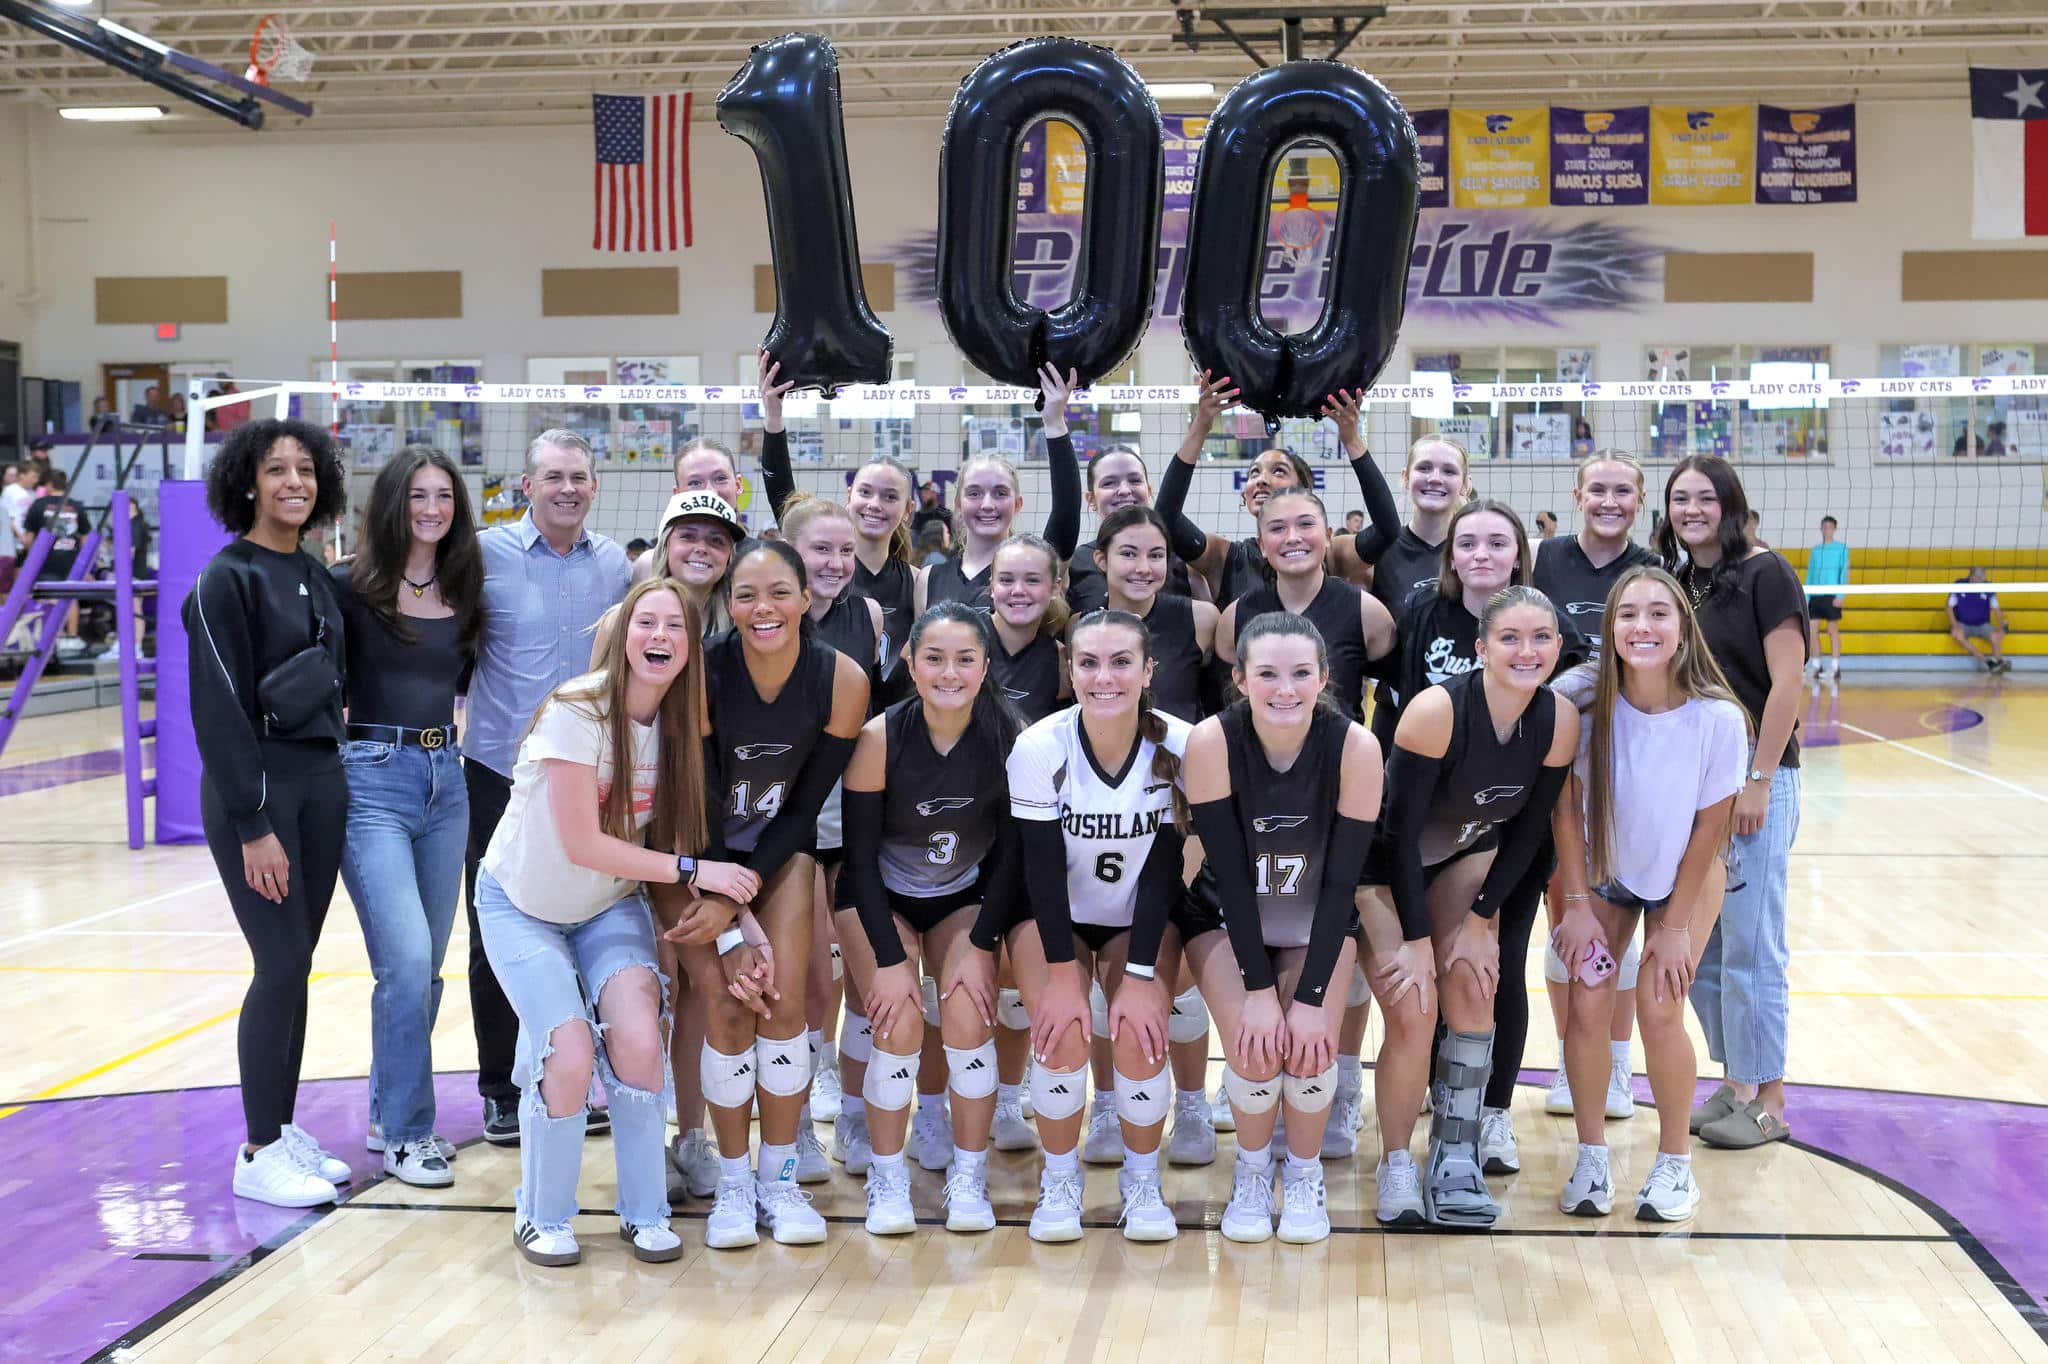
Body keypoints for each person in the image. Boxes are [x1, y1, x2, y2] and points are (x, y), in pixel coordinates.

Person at [477, 577, 757, 1267]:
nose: (660, 636)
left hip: (605, 907)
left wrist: (740, 923)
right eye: (646, 623)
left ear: (691, 648)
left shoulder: (681, 730)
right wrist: (694, 871)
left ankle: (645, 1213)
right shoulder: (575, 711)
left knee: (637, 1039)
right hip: (522, 907)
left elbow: (690, 838)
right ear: (622, 636)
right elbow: (584, 844)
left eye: (676, 627)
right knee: (569, 1052)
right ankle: (542, 1216)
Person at [1358, 585, 1577, 1228]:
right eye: (1510, 638)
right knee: (1414, 1008)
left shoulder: (1559, 720)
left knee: (1476, 988)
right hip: (1381, 870)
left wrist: (1481, 921)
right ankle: (1396, 1162)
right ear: (1481, 648)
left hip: (1464, 854)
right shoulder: (1436, 711)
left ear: (1558, 647)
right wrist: (1417, 940)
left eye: (1541, 638)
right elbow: (1397, 837)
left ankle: (1455, 1154)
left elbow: (1529, 832)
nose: (1527, 650)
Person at [184, 418, 355, 1209]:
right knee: (278, 963)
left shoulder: (316, 573)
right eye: (277, 469)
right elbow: (218, 712)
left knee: (298, 964)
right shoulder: (226, 580)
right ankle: (257, 1150)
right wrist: (253, 823)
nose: (294, 482)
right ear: (247, 483)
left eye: (306, 470)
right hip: (259, 792)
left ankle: (281, 1131)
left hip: (321, 781)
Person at [1005, 609, 1217, 1242]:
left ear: (1149, 671)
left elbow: (1166, 869)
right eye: (1089, 663)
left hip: (1140, 917)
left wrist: (1142, 975)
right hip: (1056, 916)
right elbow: (1040, 871)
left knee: (1141, 1030)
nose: (1104, 677)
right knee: (1061, 1030)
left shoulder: (1184, 745)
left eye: (1121, 662)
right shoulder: (1040, 746)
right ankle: (1060, 1180)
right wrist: (1062, 977)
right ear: (1069, 671)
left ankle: (1142, 1180)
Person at [1549, 566, 1747, 1222]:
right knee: (1588, 1003)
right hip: (1603, 871)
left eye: (1659, 613)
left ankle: (1674, 1166)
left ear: (1683, 629)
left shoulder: (1718, 717)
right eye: (1628, 614)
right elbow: (1565, 808)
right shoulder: (1579, 701)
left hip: (1686, 872)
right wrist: (1577, 905)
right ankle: (1591, 1157)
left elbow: (1711, 827)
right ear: (1609, 628)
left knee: (1660, 1008)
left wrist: (1676, 927)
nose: (1643, 626)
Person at [1183, 612, 1382, 1243]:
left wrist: (1311, 999)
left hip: (1315, 921)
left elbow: (1342, 883)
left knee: (1311, 1048)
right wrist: (1260, 992)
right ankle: (1250, 1172)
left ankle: (1301, 1173)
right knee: (1253, 1046)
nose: (1285, 689)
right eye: (1267, 673)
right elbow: (1231, 878)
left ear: (1324, 677)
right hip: (1225, 917)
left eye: (1301, 673)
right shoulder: (1212, 742)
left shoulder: (1355, 747)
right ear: (1240, 679)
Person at [691, 539, 867, 1248]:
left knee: (785, 1006)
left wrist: (745, 891)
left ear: (805, 599)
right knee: (732, 1008)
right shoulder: (703, 672)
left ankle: (780, 1178)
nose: (762, 608)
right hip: (701, 856)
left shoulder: (843, 678)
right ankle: (734, 1185)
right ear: (729, 604)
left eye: (778, 593)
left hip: (780, 854)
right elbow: (700, 797)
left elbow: (802, 810)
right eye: (746, 595)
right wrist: (724, 900)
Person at [463, 429, 632, 1144]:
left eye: (579, 477)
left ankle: (576, 1075)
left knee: (584, 919)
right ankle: (501, 1089)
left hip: (588, 777)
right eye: (554, 477)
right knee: (495, 930)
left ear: (595, 487)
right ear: (526, 486)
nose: (568, 488)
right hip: (499, 772)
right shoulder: (483, 556)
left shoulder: (617, 565)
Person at [838, 603, 1021, 1235]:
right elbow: (858, 861)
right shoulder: (878, 738)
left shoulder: (1009, 738)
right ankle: (887, 1180)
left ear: (985, 666)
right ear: (910, 664)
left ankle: (968, 1178)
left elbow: (1012, 857)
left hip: (962, 895)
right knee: (898, 1021)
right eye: (934, 659)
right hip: (878, 896)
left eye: (965, 659)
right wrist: (892, 963)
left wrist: (982, 943)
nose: (949, 673)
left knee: (968, 1014)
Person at [332, 446, 484, 1187]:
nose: (432, 508)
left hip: (445, 778)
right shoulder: (348, 587)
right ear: (394, 503)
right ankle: (406, 1133)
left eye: (444, 496)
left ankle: (383, 1109)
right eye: (418, 495)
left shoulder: (466, 586)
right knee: (407, 960)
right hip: (371, 779)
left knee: (424, 972)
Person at [592, 488, 747, 1204]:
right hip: (632, 837)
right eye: (688, 535)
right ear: (663, 544)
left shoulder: (737, 629)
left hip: (694, 832)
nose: (701, 548)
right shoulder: (622, 622)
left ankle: (691, 1135)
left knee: (697, 989)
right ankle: (643, 1136)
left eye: (716, 539)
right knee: (650, 987)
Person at [1656, 455, 1806, 1150]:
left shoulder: (1765, 573)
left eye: (1705, 498)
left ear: (1730, 505)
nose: (1692, 510)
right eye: (1679, 499)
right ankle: (1738, 1081)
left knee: (1752, 944)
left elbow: (1787, 683)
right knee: (1706, 951)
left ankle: (1768, 1097)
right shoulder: (1681, 581)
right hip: (1699, 785)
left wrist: (1760, 778)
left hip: (1754, 778)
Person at [1080, 508, 1220, 1166]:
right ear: (1101, 559)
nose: (1143, 567)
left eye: (1156, 555)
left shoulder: (1197, 619)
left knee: (1178, 974)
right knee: (1112, 981)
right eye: (1128, 553)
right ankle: (1108, 1103)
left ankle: (1191, 1103)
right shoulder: (1080, 625)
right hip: (1103, 815)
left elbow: (1219, 710)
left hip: (1179, 810)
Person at [1531, 451, 1658, 1137]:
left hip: (1629, 762)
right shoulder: (1544, 560)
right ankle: (1569, 1058)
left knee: (1619, 920)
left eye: (1623, 490)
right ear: (1577, 495)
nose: (1610, 501)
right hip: (1558, 754)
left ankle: (1614, 1062)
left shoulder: (1653, 567)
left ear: (1639, 499)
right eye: (1598, 489)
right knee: (1568, 916)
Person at [1156, 380, 1402, 610]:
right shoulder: (1225, 557)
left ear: (1304, 490)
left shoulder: (1328, 552)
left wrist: (1351, 439)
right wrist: (1201, 426)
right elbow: (1165, 519)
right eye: (1254, 473)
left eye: (1278, 471)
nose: (1261, 479)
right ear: (1245, 495)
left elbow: (1387, 530)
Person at [919, 364, 1080, 615]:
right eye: (974, 493)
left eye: (1000, 493)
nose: (987, 504)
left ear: (1018, 504)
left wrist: (1054, 422)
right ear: (958, 504)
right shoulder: (929, 578)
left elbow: (1066, 511)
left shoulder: (1036, 566)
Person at [629, 426, 750, 583]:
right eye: (695, 482)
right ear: (677, 494)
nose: (710, 492)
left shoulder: (759, 561)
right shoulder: (649, 566)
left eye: (720, 478)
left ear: (738, 485)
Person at [24, 470, 88, 638]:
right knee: (70, 597)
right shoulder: (77, 506)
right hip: (70, 559)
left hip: (45, 559)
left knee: (46, 597)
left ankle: (54, 638)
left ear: (49, 485)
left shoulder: (38, 505)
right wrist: (82, 560)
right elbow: (85, 537)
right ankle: (72, 637)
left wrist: (32, 558)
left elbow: (28, 538)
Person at [1948, 567, 2010, 673]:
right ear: (1972, 577)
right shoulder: (1960, 585)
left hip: (1982, 624)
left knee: (1996, 636)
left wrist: (2001, 625)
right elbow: (1949, 607)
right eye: (1979, 578)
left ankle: (2000, 662)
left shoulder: (1988, 587)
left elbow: (1996, 609)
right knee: (1957, 634)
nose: (1981, 581)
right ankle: (1988, 662)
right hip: (1963, 624)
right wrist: (1954, 625)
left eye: (1982, 579)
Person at [910, 478, 951, 546]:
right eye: (922, 492)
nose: (923, 495)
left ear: (934, 493)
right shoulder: (918, 515)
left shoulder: (945, 514)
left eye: (926, 492)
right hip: (922, 549)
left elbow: (951, 535)